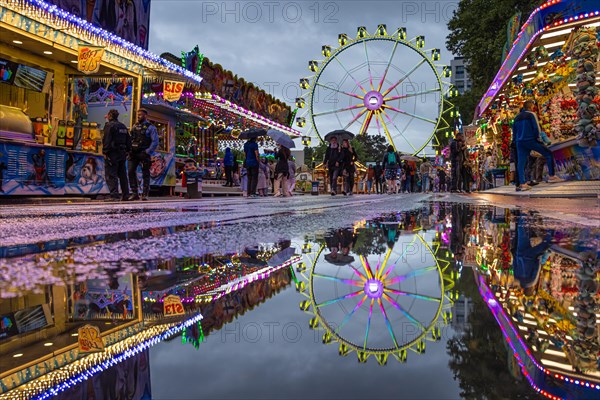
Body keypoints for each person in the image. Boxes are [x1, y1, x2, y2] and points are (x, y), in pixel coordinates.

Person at [513, 100, 562, 191]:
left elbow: (514, 131)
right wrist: (539, 139)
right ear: (531, 106)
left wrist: (515, 142)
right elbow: (536, 127)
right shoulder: (531, 114)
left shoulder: (516, 117)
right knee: (548, 154)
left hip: (520, 142)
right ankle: (552, 176)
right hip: (531, 140)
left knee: (521, 163)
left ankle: (523, 184)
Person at [128, 109, 158, 200]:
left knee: (146, 173)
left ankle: (145, 194)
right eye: (138, 115)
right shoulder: (134, 126)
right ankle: (134, 192)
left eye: (140, 115)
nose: (138, 116)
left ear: (145, 116)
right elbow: (131, 138)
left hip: (144, 153)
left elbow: (155, 141)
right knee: (130, 171)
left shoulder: (151, 127)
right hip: (134, 153)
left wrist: (147, 151)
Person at [102, 109, 130, 201]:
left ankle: (114, 195)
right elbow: (128, 140)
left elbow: (107, 139)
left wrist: (105, 152)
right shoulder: (123, 126)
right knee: (122, 174)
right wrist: (127, 151)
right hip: (122, 153)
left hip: (112, 152)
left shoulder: (109, 126)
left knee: (111, 174)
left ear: (110, 115)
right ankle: (125, 195)